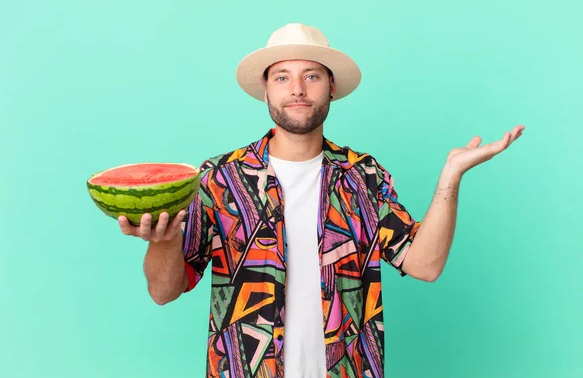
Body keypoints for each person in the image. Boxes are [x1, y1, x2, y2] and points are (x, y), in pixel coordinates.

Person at [117, 23, 525, 378]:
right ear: (265, 91)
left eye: (311, 76)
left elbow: (425, 264)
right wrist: (164, 239)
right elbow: (163, 291)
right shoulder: (219, 180)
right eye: (282, 78)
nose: (296, 89)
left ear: (331, 86)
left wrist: (450, 178)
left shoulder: (363, 177)